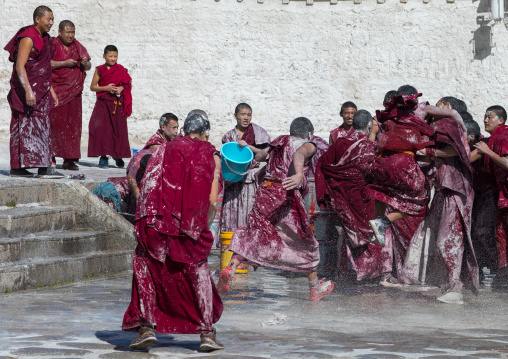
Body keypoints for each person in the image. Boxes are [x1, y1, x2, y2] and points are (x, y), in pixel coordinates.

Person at [122, 113, 224, 351]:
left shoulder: (161, 150)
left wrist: (145, 225)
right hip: (188, 227)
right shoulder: (210, 153)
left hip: (154, 223)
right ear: (205, 133)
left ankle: (147, 327)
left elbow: (147, 186)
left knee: (147, 268)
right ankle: (207, 334)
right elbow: (211, 201)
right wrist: (203, 228)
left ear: (184, 130)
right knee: (197, 275)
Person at [218, 117, 335, 301]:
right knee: (305, 240)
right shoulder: (308, 144)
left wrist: (250, 148)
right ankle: (315, 287)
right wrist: (297, 175)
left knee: (255, 233)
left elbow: (259, 157)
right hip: (285, 195)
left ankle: (231, 268)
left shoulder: (279, 142)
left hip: (265, 193)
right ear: (309, 134)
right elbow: (299, 154)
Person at [400, 100, 479, 304]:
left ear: (445, 105)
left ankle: (455, 289)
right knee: (430, 237)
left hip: (455, 190)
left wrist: (428, 152)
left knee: (449, 240)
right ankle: (446, 285)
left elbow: (457, 150)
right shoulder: (444, 126)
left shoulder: (450, 124)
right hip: (444, 190)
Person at [316, 110, 395, 284]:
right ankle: (379, 273)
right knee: (378, 228)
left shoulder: (340, 143)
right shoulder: (370, 147)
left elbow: (323, 164)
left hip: (342, 198)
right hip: (365, 198)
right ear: (368, 127)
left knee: (349, 233)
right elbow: (376, 174)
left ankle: (348, 271)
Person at [4, 5, 63, 178]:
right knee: (22, 126)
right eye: (48, 19)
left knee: (41, 127)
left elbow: (44, 67)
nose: (51, 23)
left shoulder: (45, 38)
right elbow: (20, 66)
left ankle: (43, 165)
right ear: (37, 19)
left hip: (41, 90)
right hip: (27, 91)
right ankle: (23, 166)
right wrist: (29, 91)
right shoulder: (29, 37)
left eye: (52, 19)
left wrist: (50, 90)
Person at [220, 103, 270, 236]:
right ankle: (229, 248)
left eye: (249, 114)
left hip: (252, 182)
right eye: (243, 114)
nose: (246, 118)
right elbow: (225, 160)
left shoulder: (259, 134)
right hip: (233, 181)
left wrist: (249, 147)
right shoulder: (229, 137)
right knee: (231, 215)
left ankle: (249, 247)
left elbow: (267, 156)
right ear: (236, 116)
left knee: (249, 214)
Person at [49, 20, 91, 171]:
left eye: (73, 32)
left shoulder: (77, 46)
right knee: (54, 125)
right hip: (56, 91)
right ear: (59, 32)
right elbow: (45, 64)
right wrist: (64, 63)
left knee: (73, 126)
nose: (71, 35)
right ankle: (50, 157)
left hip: (74, 93)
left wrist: (85, 63)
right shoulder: (51, 44)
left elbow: (88, 65)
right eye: (67, 32)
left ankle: (70, 160)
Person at [474, 105, 508, 288]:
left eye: (490, 117)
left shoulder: (504, 136)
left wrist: (488, 152)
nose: (486, 120)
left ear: (501, 120)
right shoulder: (493, 138)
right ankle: (501, 273)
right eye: (485, 116)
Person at [465, 117, 499, 279]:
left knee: (483, 231)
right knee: (472, 233)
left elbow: (466, 160)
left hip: (488, 194)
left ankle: (499, 265)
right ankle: (482, 267)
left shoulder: (481, 146)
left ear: (471, 136)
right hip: (473, 196)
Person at [88, 45, 132, 169]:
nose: (113, 59)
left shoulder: (121, 70)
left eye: (115, 56)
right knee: (102, 130)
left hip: (117, 104)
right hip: (103, 103)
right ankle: (103, 157)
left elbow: (127, 84)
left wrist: (121, 88)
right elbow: (92, 87)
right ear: (104, 56)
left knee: (118, 130)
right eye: (110, 56)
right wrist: (106, 88)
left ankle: (117, 155)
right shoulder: (100, 70)